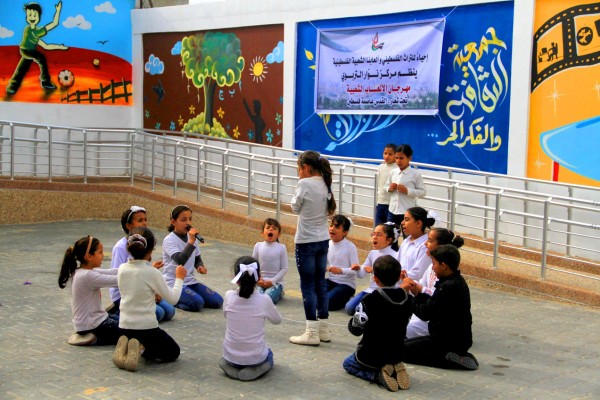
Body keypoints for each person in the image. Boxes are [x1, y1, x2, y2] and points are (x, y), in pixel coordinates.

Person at [113, 227, 186, 371]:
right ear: (151, 249)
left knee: (137, 337)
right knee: (173, 351)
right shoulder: (152, 273)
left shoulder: (122, 269)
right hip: (146, 329)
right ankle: (141, 348)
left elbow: (138, 279)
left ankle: (127, 348)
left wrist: (152, 269)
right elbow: (173, 299)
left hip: (124, 327)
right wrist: (179, 278)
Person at [343, 255, 412, 392]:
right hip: (397, 352)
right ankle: (394, 367)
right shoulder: (407, 298)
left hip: (371, 356)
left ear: (375, 278)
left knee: (348, 364)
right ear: (399, 277)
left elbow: (355, 330)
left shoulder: (369, 300)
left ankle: (376, 375)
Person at [403, 245, 478, 370]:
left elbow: (425, 313)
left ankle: (449, 359)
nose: (432, 267)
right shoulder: (455, 281)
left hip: (448, 342)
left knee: (403, 352)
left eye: (434, 264)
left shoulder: (448, 287)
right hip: (448, 339)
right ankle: (458, 355)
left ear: (444, 266)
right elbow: (432, 304)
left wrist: (407, 297)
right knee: (404, 344)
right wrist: (417, 293)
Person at [289, 150, 336, 346]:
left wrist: (298, 189)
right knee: (320, 283)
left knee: (307, 285)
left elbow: (295, 207)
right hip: (323, 239)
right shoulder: (325, 182)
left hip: (306, 241)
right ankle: (323, 329)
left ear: (306, 167)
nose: (298, 173)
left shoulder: (304, 183)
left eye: (299, 169)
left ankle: (311, 332)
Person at [108, 206, 176, 322]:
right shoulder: (120, 247)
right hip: (126, 294)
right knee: (158, 314)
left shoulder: (144, 242)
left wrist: (154, 291)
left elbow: (143, 273)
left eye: (145, 219)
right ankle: (116, 315)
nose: (144, 223)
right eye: (140, 220)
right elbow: (119, 277)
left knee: (170, 311)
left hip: (142, 289)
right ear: (128, 226)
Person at [220, 256, 282, 381]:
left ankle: (230, 366)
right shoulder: (264, 299)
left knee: (224, 360)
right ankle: (257, 368)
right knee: (269, 354)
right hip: (255, 358)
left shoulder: (228, 296)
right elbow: (277, 320)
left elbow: (225, 314)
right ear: (258, 278)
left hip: (230, 356)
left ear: (236, 278)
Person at [58, 235, 120, 346]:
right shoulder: (87, 276)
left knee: (123, 320)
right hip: (93, 325)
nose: (103, 255)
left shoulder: (81, 271)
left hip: (88, 323)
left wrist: (131, 268)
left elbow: (112, 272)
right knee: (132, 329)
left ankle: (93, 336)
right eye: (100, 252)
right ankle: (96, 339)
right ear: (89, 256)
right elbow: (119, 280)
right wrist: (138, 272)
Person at [162, 205, 223, 312]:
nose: (188, 223)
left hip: (190, 281)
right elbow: (180, 260)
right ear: (173, 222)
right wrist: (191, 241)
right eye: (183, 220)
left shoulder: (191, 239)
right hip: (174, 282)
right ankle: (171, 299)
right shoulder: (169, 240)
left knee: (217, 301)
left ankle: (191, 297)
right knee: (197, 303)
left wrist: (200, 266)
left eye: (190, 219)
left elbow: (197, 258)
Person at [406, 228, 465, 339]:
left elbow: (427, 311)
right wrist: (413, 287)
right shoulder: (436, 268)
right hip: (430, 320)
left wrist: (412, 295)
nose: (425, 243)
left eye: (430, 240)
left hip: (443, 334)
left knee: (402, 330)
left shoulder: (449, 284)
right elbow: (423, 286)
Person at [6, 1, 68, 94]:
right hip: (27, 51)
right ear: (26, 16)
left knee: (22, 68)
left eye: (35, 15)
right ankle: (45, 81)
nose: (32, 17)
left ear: (39, 17)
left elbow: (46, 45)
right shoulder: (32, 31)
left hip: (26, 51)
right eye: (30, 15)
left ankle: (12, 86)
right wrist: (58, 11)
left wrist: (60, 47)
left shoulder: (33, 32)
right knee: (41, 58)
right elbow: (53, 25)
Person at [344, 223, 399, 315]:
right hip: (371, 290)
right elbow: (361, 274)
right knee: (349, 308)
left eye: (379, 234)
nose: (374, 237)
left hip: (385, 292)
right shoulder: (372, 253)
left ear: (389, 240)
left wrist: (374, 270)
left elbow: (393, 278)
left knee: (360, 309)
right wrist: (357, 269)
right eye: (373, 234)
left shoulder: (395, 255)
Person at [385, 144, 426, 233]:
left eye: (401, 158)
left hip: (407, 212)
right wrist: (389, 188)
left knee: (407, 236)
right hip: (392, 210)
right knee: (390, 235)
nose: (398, 161)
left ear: (409, 158)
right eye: (396, 158)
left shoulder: (415, 174)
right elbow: (386, 186)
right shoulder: (393, 172)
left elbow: (423, 192)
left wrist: (407, 191)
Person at [326, 214, 360, 311]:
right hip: (331, 280)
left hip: (346, 284)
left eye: (337, 227)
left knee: (326, 303)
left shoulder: (350, 247)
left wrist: (341, 271)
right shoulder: (327, 244)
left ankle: (347, 298)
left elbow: (355, 270)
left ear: (345, 232)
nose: (332, 229)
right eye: (331, 225)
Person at [252, 218, 288, 304]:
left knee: (267, 298)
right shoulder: (258, 246)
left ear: (278, 234)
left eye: (274, 228)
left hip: (276, 283)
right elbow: (253, 265)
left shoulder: (281, 248)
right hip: (260, 282)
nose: (270, 229)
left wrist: (272, 281)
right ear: (262, 233)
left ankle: (279, 293)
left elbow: (284, 268)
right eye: (268, 228)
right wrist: (258, 279)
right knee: (256, 297)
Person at [396, 207, 437, 281]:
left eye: (407, 220)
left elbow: (418, 274)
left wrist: (396, 277)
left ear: (418, 223)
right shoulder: (406, 242)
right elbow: (396, 262)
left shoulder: (425, 246)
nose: (402, 223)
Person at [375, 143, 397, 227]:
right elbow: (379, 184)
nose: (387, 156)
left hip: (392, 204)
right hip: (380, 202)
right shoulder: (380, 167)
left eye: (390, 154)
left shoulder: (397, 168)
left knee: (389, 229)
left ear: (395, 155)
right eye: (385, 153)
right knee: (378, 227)